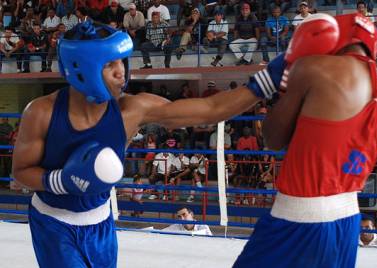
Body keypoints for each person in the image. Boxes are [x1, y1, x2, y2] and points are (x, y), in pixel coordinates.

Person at [11, 17, 288, 267]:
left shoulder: (132, 110)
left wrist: (263, 83)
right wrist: (61, 180)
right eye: (109, 65)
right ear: (82, 69)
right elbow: (21, 172)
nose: (122, 72)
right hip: (53, 222)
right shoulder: (42, 112)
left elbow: (210, 109)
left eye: (121, 61)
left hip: (100, 222)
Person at [233, 13, 377, 267]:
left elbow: (273, 138)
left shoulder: (314, 68)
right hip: (348, 217)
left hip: (300, 216)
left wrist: (288, 82)